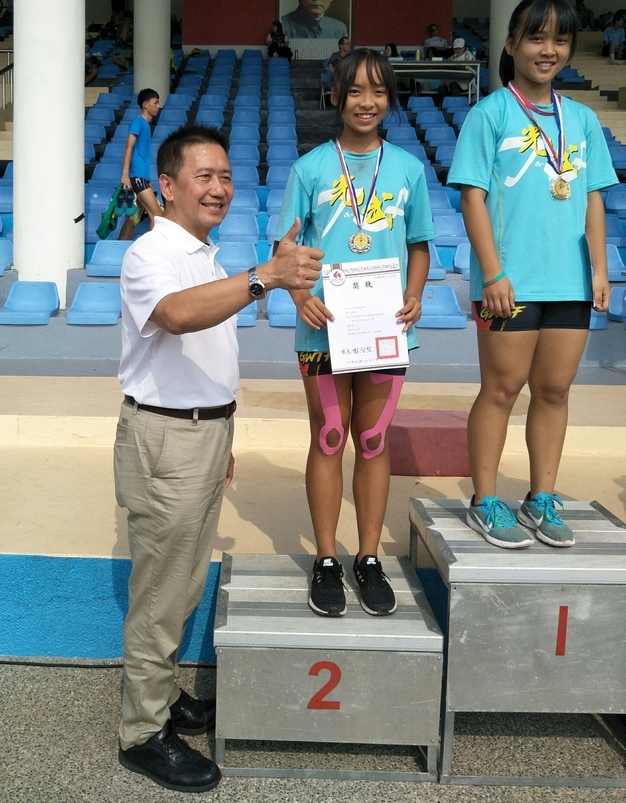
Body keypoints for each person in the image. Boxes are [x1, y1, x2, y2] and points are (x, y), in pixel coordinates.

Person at [115, 123, 323, 792]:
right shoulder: (150, 252)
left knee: (182, 585)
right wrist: (266, 276)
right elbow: (177, 316)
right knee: (160, 590)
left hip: (203, 435)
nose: (218, 187)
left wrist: (221, 435)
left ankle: (162, 693)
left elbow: (206, 352)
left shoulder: (205, 255)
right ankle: (142, 732)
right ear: (168, 185)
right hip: (167, 439)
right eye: (203, 176)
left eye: (226, 176)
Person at [447, 0, 617, 550]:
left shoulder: (583, 120)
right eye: (537, 38)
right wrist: (492, 274)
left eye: (560, 40)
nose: (549, 50)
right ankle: (484, 500)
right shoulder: (490, 113)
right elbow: (472, 198)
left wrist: (599, 269)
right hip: (509, 282)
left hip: (569, 280)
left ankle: (541, 498)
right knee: (500, 390)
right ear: (511, 43)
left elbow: (593, 197)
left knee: (554, 391)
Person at [273, 49, 434, 619]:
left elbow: (419, 246)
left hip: (385, 329)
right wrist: (301, 298)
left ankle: (368, 557)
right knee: (329, 438)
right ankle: (325, 558)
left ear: (390, 99)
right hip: (323, 329)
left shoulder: (409, 169)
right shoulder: (310, 168)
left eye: (379, 92)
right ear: (336, 97)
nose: (367, 102)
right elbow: (284, 248)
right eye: (356, 91)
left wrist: (415, 295)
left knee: (372, 441)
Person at [118, 88, 163, 240]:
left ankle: (120, 246)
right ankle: (154, 249)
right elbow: (128, 146)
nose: (158, 106)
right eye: (155, 103)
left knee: (134, 217)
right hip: (137, 177)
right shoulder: (138, 122)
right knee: (157, 215)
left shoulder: (145, 125)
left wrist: (147, 180)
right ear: (145, 104)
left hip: (141, 177)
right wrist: (125, 174)